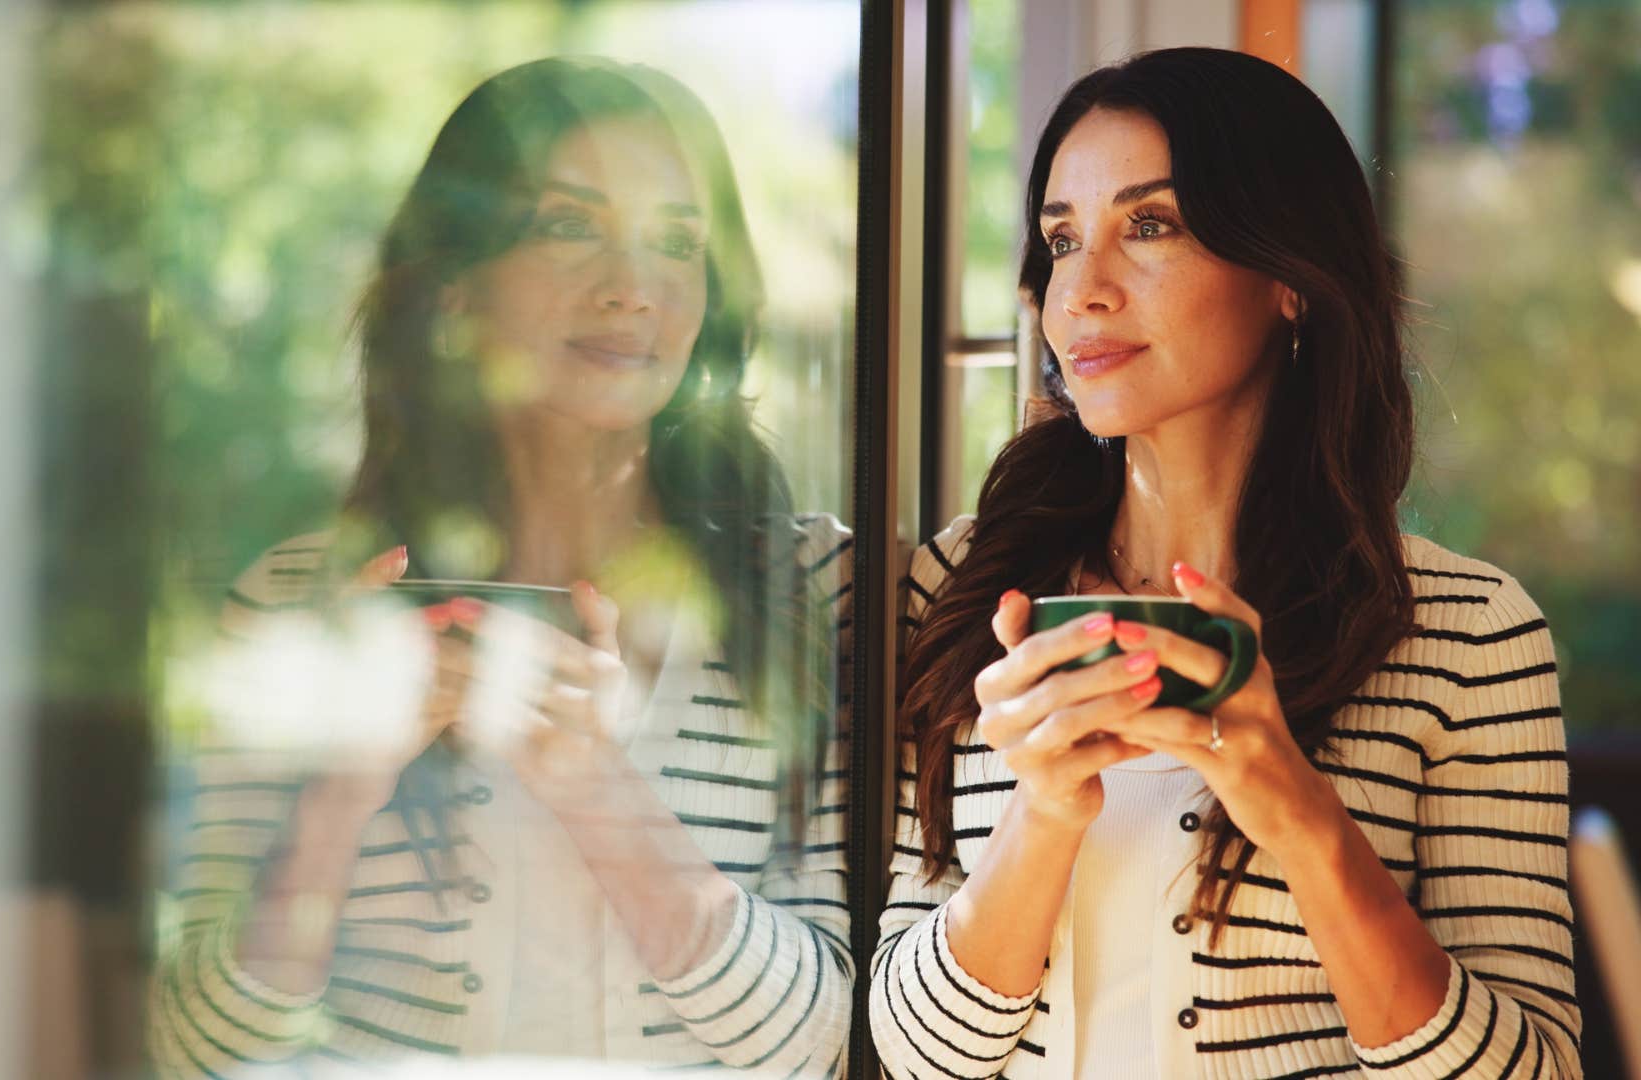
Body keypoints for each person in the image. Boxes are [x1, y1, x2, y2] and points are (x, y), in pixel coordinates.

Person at [871, 47, 1578, 1079]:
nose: (1082, 293)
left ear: (1288, 278)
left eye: (1150, 225)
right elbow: (911, 1053)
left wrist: (1294, 806)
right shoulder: (960, 590)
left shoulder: (1466, 635)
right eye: (1062, 240)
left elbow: (1538, 1069)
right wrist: (1044, 810)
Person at [150, 57, 852, 1077]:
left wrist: (595, 785)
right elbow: (198, 1053)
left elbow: (834, 1047)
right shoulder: (295, 603)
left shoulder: (823, 591)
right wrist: (345, 782)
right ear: (451, 285)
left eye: (677, 242)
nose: (632, 288)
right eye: (568, 225)